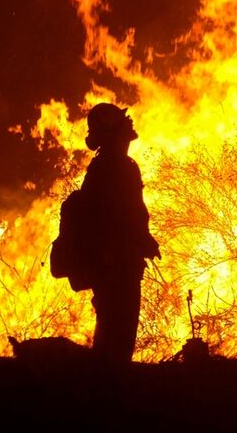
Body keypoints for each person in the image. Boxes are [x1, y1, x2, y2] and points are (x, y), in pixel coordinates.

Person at [80, 102, 160, 364]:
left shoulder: (121, 166)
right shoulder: (109, 168)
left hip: (121, 265)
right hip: (113, 267)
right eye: (123, 122)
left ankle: (108, 387)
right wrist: (123, 252)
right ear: (112, 132)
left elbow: (132, 214)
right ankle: (105, 393)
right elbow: (113, 219)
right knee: (113, 339)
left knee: (119, 337)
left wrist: (145, 241)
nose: (130, 124)